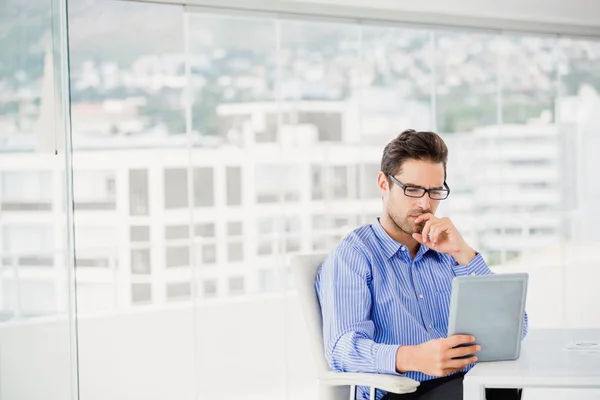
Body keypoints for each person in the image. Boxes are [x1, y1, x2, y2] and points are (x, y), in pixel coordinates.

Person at [315, 129, 528, 400]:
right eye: (412, 189)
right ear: (383, 184)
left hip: (462, 384)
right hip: (402, 392)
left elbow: (516, 328)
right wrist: (413, 357)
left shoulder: (448, 251)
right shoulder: (354, 256)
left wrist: (463, 253)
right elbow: (342, 350)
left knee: (503, 387)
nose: (425, 203)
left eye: (435, 191)